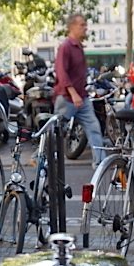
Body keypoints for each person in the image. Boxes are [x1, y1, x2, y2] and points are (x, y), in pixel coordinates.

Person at [54, 13, 105, 168]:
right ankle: (40, 156)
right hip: (68, 98)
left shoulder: (78, 47)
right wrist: (73, 93)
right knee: (55, 130)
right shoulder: (66, 47)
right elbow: (62, 72)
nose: (85, 28)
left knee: (94, 127)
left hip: (81, 97)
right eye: (82, 25)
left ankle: (100, 162)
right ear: (72, 27)